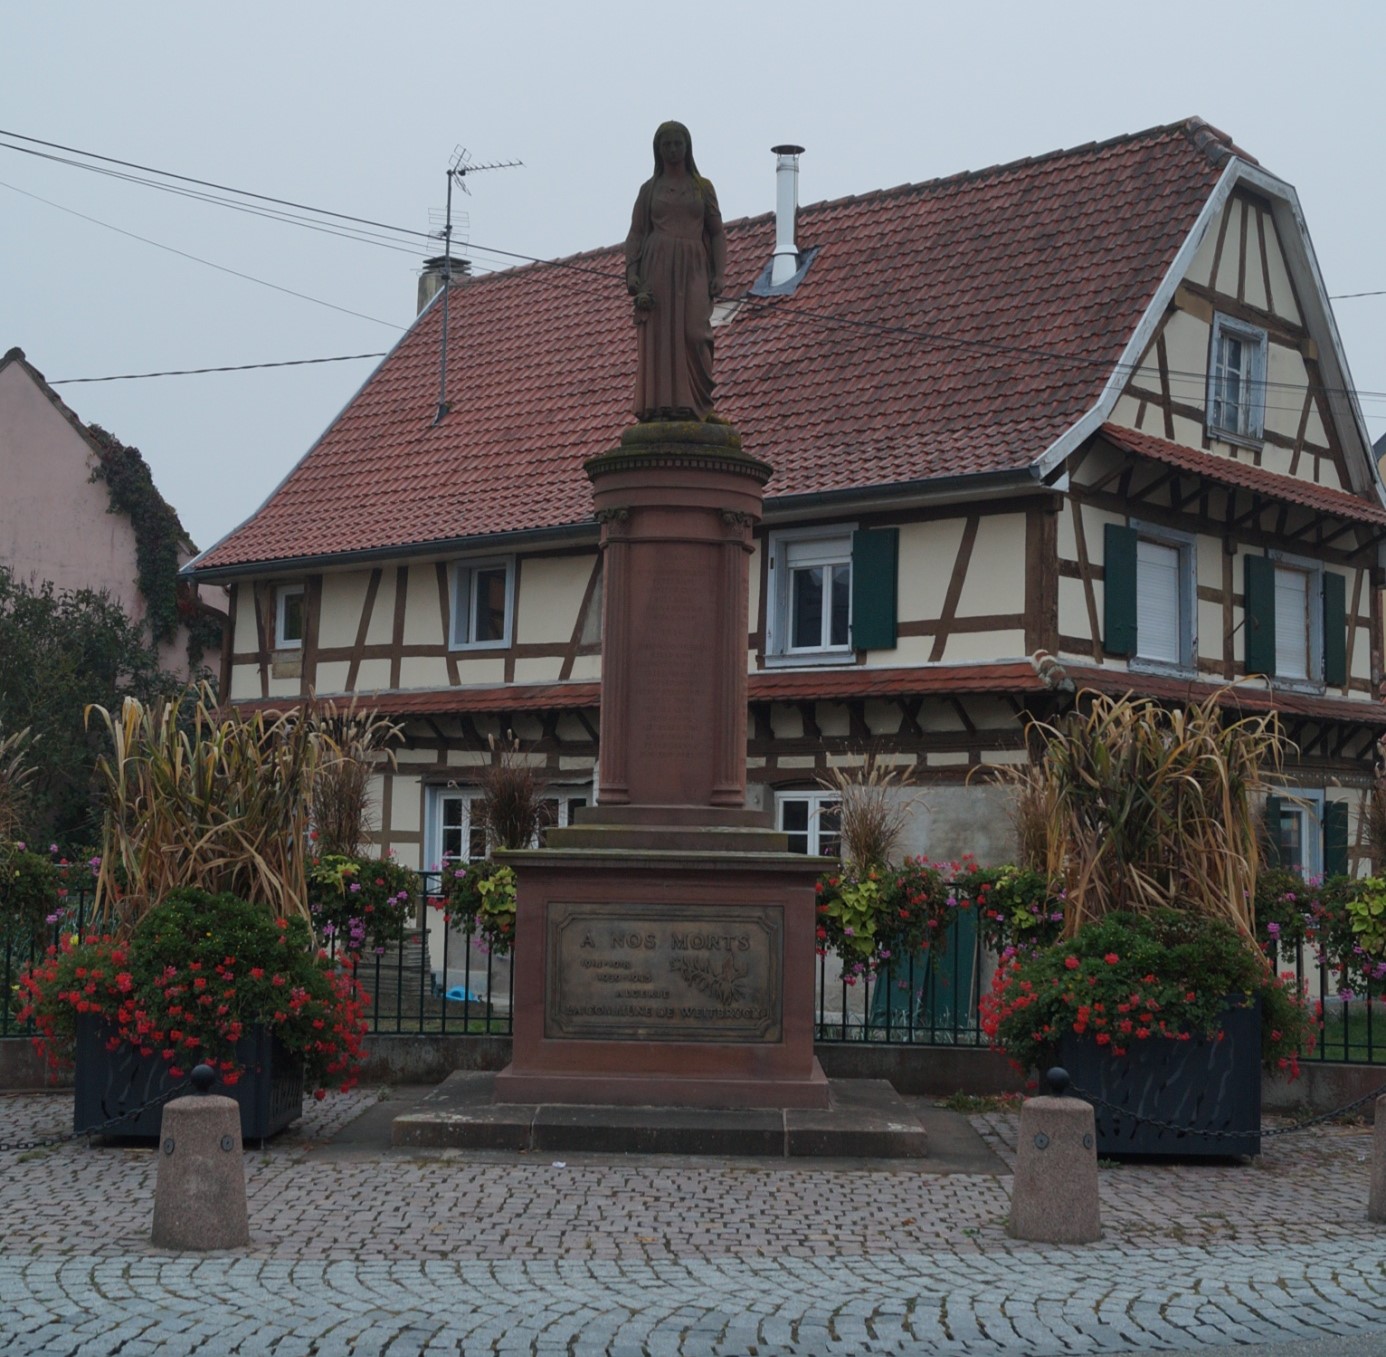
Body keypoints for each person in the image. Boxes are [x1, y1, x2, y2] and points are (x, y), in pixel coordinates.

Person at [624, 121, 726, 421]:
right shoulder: (649, 190)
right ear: (658, 149)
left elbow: (717, 232)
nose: (672, 150)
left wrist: (719, 273)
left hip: (694, 265)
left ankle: (700, 406)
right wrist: (633, 274)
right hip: (657, 267)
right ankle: (662, 406)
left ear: (687, 147)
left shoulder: (702, 187)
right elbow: (636, 234)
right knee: (661, 337)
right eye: (665, 144)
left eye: (677, 143)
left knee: (695, 333)